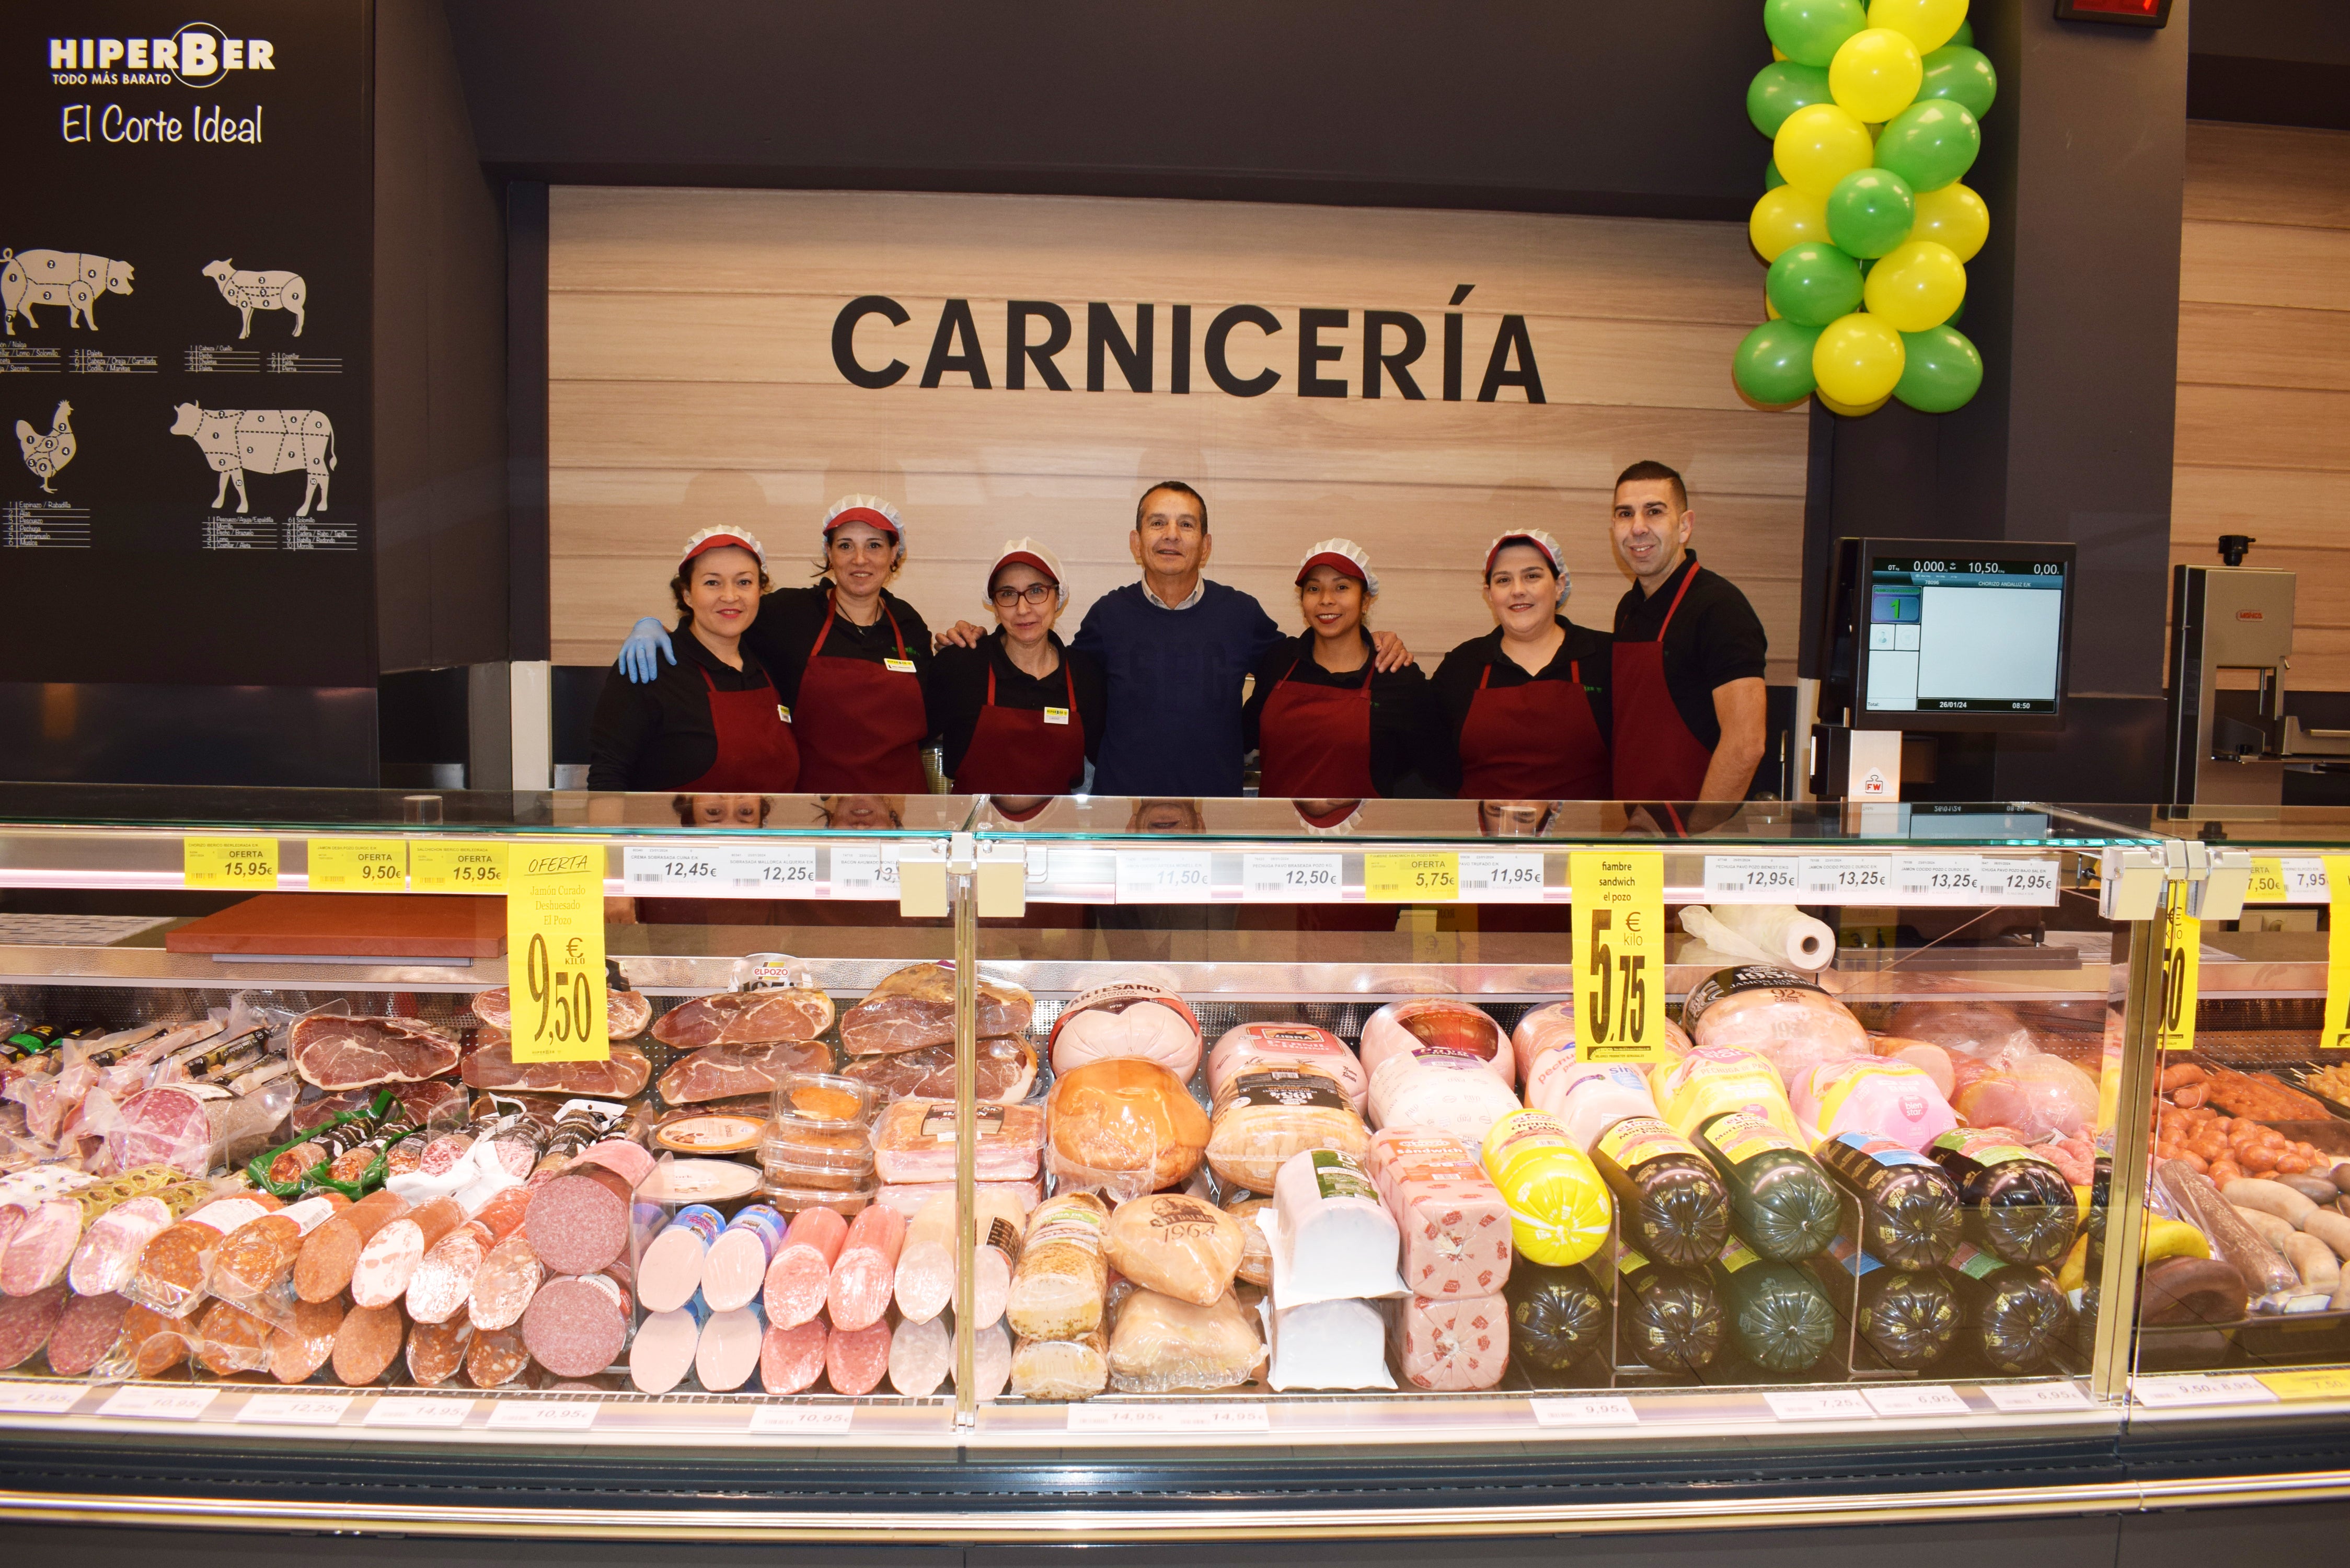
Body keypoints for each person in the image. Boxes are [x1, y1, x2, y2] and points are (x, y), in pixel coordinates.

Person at [937, 482, 1412, 795]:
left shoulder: (1240, 614)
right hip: (1120, 824)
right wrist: (980, 636)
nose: (1171, 535)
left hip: (1215, 822)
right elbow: (1056, 676)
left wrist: (1373, 638)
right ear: (1136, 541)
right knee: (1122, 952)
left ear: (1205, 545)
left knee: (1206, 950)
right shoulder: (1109, 615)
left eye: (1186, 524)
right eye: (1157, 523)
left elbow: (1304, 661)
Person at [617, 495, 936, 793]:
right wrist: (653, 627)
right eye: (845, 546)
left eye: (875, 546)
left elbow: (932, 714)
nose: (859, 559)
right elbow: (721, 621)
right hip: (815, 809)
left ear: (896, 553)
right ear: (829, 552)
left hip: (900, 809)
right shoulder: (787, 613)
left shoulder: (909, 624)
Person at [588, 528, 800, 793]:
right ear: (687, 595)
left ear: (760, 591)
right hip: (675, 835)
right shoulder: (651, 668)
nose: (730, 596)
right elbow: (607, 778)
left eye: (744, 582)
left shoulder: (770, 664)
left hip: (768, 834)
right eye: (713, 582)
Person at [1243, 538, 1455, 799]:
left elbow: (1443, 770)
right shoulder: (1280, 661)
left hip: (1362, 836)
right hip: (1280, 836)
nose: (1326, 600)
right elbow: (1246, 736)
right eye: (1313, 589)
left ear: (1365, 601)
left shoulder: (1397, 676)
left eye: (1341, 587)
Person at [1607, 460, 1769, 802]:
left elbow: (1746, 744)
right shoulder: (1627, 609)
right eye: (1625, 514)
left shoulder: (1720, 608)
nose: (1637, 528)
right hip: (1638, 831)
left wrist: (1697, 837)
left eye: (1654, 512)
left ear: (1684, 526)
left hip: (1698, 838)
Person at [1429, 528, 1612, 800]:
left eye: (1532, 576)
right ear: (1489, 594)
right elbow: (1436, 763)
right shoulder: (1462, 666)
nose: (1518, 591)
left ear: (1560, 584)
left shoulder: (1605, 656)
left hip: (1581, 838)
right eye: (1504, 580)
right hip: (1482, 838)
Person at [928, 539, 1105, 794]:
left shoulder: (1085, 676)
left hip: (1057, 832)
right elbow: (906, 744)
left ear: (1058, 598)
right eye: (1008, 594)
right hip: (975, 831)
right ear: (995, 606)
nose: (1023, 609)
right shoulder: (960, 666)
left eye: (1036, 591)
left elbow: (1108, 762)